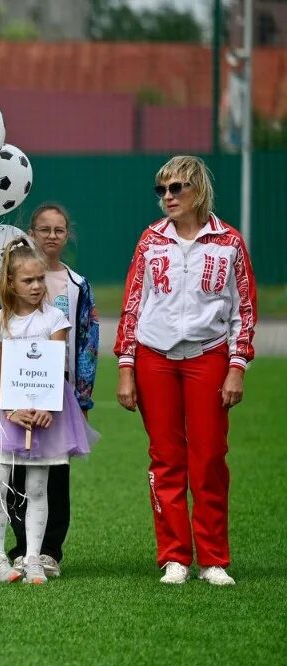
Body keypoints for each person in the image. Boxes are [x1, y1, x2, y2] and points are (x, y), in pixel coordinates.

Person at [115, 155, 257, 587]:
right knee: (165, 459)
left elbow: (244, 310)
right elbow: (134, 304)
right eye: (162, 190)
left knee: (210, 458)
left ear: (198, 190)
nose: (168, 197)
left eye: (176, 188)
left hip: (208, 358)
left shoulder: (229, 242)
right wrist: (127, 367)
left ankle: (213, 559)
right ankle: (174, 557)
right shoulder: (150, 241)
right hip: (154, 359)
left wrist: (237, 367)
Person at [0, 204, 99, 578]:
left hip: (46, 414)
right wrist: (9, 409)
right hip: (3, 412)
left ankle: (33, 558)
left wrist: (48, 406)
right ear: (10, 283)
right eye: (28, 281)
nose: (37, 286)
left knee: (39, 486)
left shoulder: (56, 318)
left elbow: (55, 367)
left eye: (40, 279)